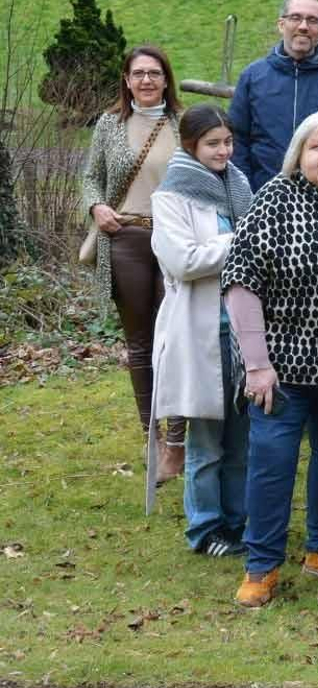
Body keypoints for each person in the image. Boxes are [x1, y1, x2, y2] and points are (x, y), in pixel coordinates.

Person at [222, 110, 318, 608]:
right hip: (282, 369)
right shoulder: (275, 200)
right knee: (272, 466)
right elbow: (241, 281)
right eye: (317, 146)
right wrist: (257, 363)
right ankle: (262, 565)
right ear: (299, 155)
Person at [149, 104, 254, 557]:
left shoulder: (240, 186)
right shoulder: (171, 196)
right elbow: (184, 261)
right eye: (213, 143)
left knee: (242, 442)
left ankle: (237, 522)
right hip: (201, 330)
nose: (223, 151)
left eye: (227, 142)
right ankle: (205, 527)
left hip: (243, 333)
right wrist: (238, 241)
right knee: (207, 441)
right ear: (191, 146)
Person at [82, 45, 186, 482]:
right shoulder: (110, 125)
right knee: (140, 343)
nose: (146, 81)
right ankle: (153, 437)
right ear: (126, 80)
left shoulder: (184, 124)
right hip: (125, 238)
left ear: (166, 79)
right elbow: (89, 176)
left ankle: (180, 440)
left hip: (176, 240)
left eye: (154, 73)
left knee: (175, 339)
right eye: (138, 74)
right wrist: (96, 207)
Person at [230, 0, 318, 189]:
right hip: (263, 197)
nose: (303, 26)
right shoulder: (252, 77)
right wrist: (245, 190)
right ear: (281, 24)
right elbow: (237, 139)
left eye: (312, 20)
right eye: (295, 18)